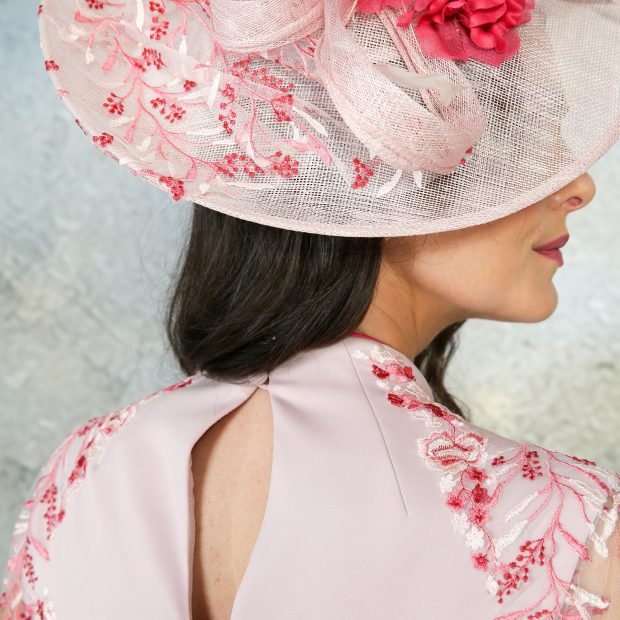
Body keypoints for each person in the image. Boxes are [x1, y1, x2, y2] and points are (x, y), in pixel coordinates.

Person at [1, 1, 619, 619]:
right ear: (380, 171)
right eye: (531, 146)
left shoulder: (78, 477)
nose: (580, 187)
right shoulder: (570, 535)